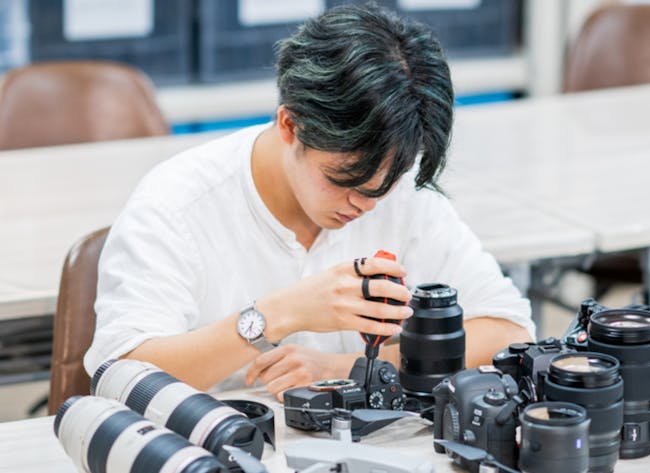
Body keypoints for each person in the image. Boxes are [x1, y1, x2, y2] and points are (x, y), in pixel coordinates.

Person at [84, 3, 534, 397]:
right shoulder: (177, 206)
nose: (367, 204)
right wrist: (280, 314)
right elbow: (121, 375)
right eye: (345, 180)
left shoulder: (397, 188)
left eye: (384, 184)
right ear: (289, 125)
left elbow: (509, 331)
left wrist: (353, 369)